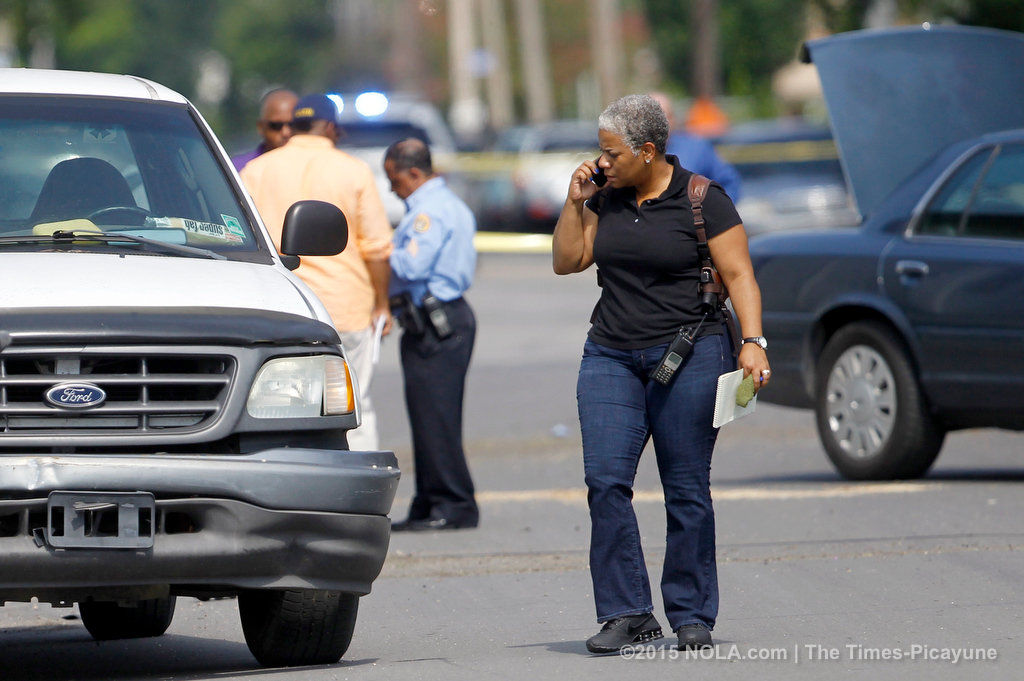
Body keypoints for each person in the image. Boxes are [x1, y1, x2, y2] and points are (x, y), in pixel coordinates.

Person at [552, 94, 770, 653]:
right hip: (610, 355)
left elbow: (740, 275)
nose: (601, 163)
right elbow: (568, 261)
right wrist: (575, 202)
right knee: (605, 482)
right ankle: (627, 611)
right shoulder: (603, 196)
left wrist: (752, 341)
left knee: (686, 487)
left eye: (612, 153)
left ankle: (692, 612)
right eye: (599, 152)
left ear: (648, 152)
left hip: (691, 354)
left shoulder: (703, 199)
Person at [240, 93, 393, 451]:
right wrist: (382, 304)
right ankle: (358, 498)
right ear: (330, 127)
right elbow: (377, 248)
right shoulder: (353, 169)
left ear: (294, 126)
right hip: (345, 309)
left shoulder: (256, 170)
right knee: (356, 406)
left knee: (279, 409)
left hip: (278, 306)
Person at [383, 138, 478, 532]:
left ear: (415, 174)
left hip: (439, 322)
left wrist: (375, 248)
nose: (392, 188)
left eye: (395, 179)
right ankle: (428, 502)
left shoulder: (430, 212)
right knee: (427, 418)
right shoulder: (437, 205)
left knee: (437, 419)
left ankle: (454, 505)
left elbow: (412, 264)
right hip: (430, 321)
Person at [649, 91, 742, 201]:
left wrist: (713, 212)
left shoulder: (696, 148)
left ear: (673, 119)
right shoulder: (632, 153)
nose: (659, 124)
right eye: (653, 118)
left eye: (665, 116)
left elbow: (729, 183)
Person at [231, 89, 298, 172]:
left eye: (293, 125)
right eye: (276, 126)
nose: (285, 132)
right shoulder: (238, 169)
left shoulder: (313, 169)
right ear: (261, 127)